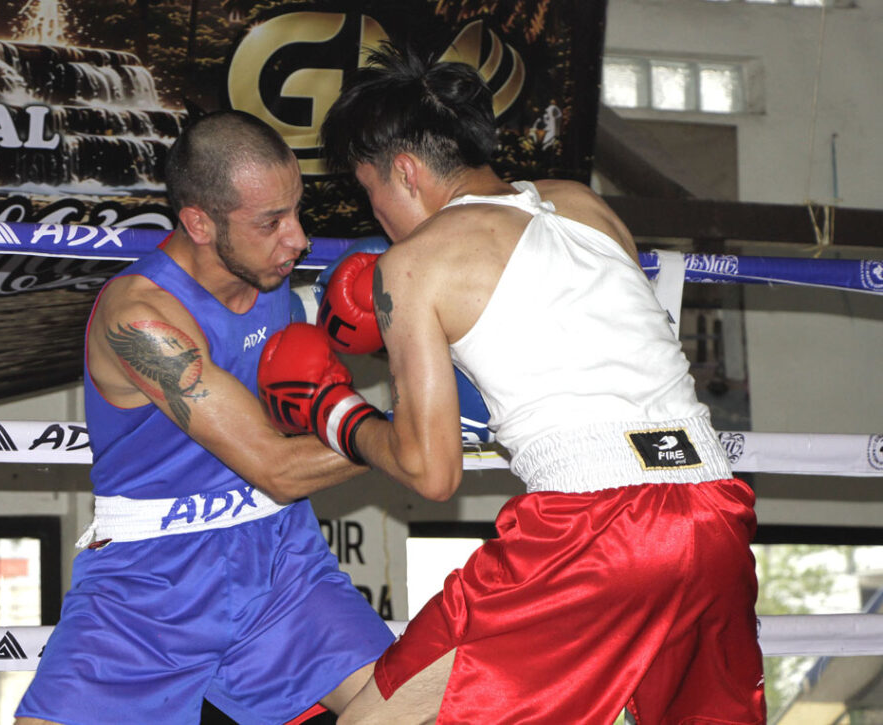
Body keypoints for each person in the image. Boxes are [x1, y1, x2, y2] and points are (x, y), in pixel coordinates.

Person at [258, 45, 766, 724]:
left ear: (404, 171)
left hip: (590, 533)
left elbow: (431, 470)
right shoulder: (582, 204)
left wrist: (332, 410)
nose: (374, 213)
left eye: (368, 189)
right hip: (713, 513)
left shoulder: (412, 264)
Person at [14, 110, 396, 725]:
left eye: (296, 211)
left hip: (280, 560)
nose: (298, 239)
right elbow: (277, 468)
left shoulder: (269, 278)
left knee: (414, 704)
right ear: (198, 222)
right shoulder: (139, 319)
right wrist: (412, 431)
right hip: (151, 585)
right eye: (271, 222)